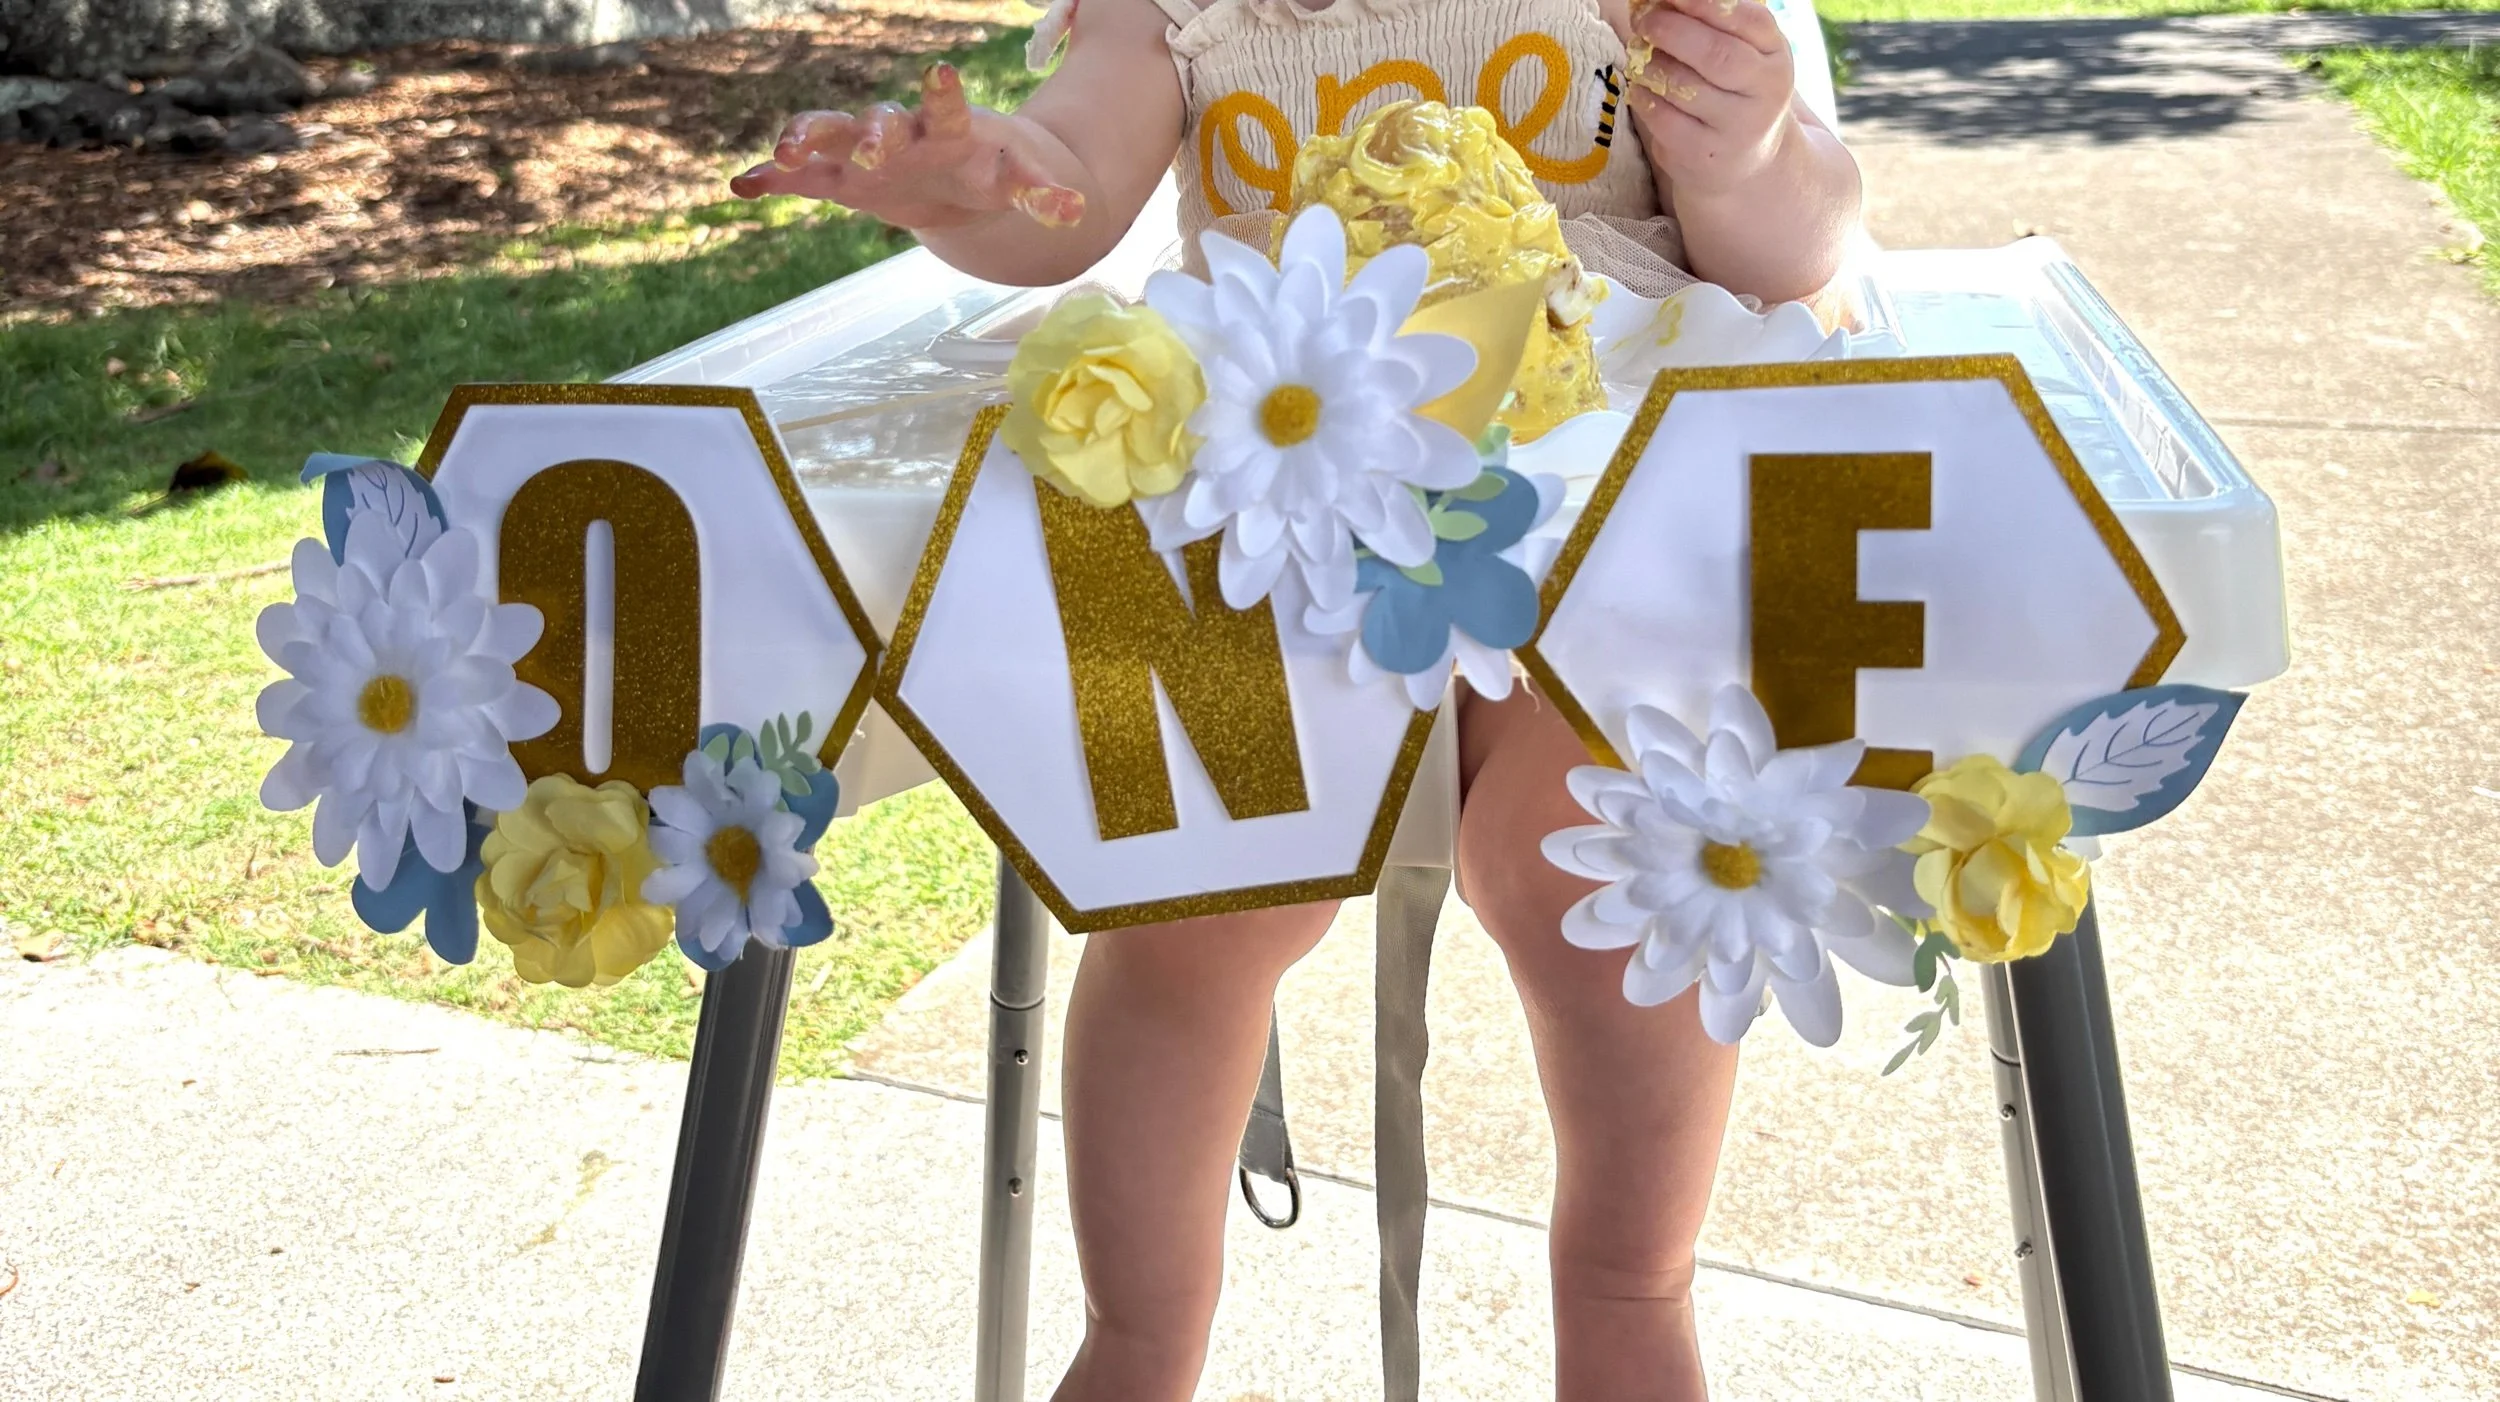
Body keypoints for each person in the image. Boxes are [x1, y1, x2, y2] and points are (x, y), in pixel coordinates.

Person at [732, 2, 1863, 1397]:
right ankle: (1139, 1339)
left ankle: (1631, 1293)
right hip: (1270, 500)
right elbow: (1062, 184)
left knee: (1606, 865)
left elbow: (1802, 249)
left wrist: (1749, 158)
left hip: (1590, 516)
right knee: (1198, 885)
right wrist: (972, 190)